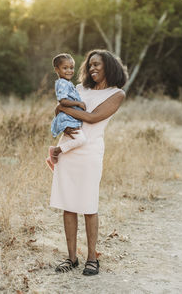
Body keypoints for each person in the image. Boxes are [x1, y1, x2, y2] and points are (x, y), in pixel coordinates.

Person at [50, 49, 128, 276]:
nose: (92, 68)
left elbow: (93, 117)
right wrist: (63, 108)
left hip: (90, 152)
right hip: (69, 148)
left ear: (109, 67)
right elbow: (59, 109)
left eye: (97, 65)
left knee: (89, 205)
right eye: (90, 65)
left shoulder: (117, 94)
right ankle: (71, 257)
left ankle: (92, 258)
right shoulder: (79, 89)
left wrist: (64, 107)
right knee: (68, 204)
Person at [46, 53, 87, 171]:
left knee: (68, 139)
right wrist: (78, 103)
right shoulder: (63, 83)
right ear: (56, 69)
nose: (69, 70)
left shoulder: (67, 83)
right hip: (68, 118)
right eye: (65, 68)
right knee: (81, 140)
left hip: (69, 117)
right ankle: (56, 151)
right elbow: (62, 101)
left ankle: (52, 161)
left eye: (71, 67)